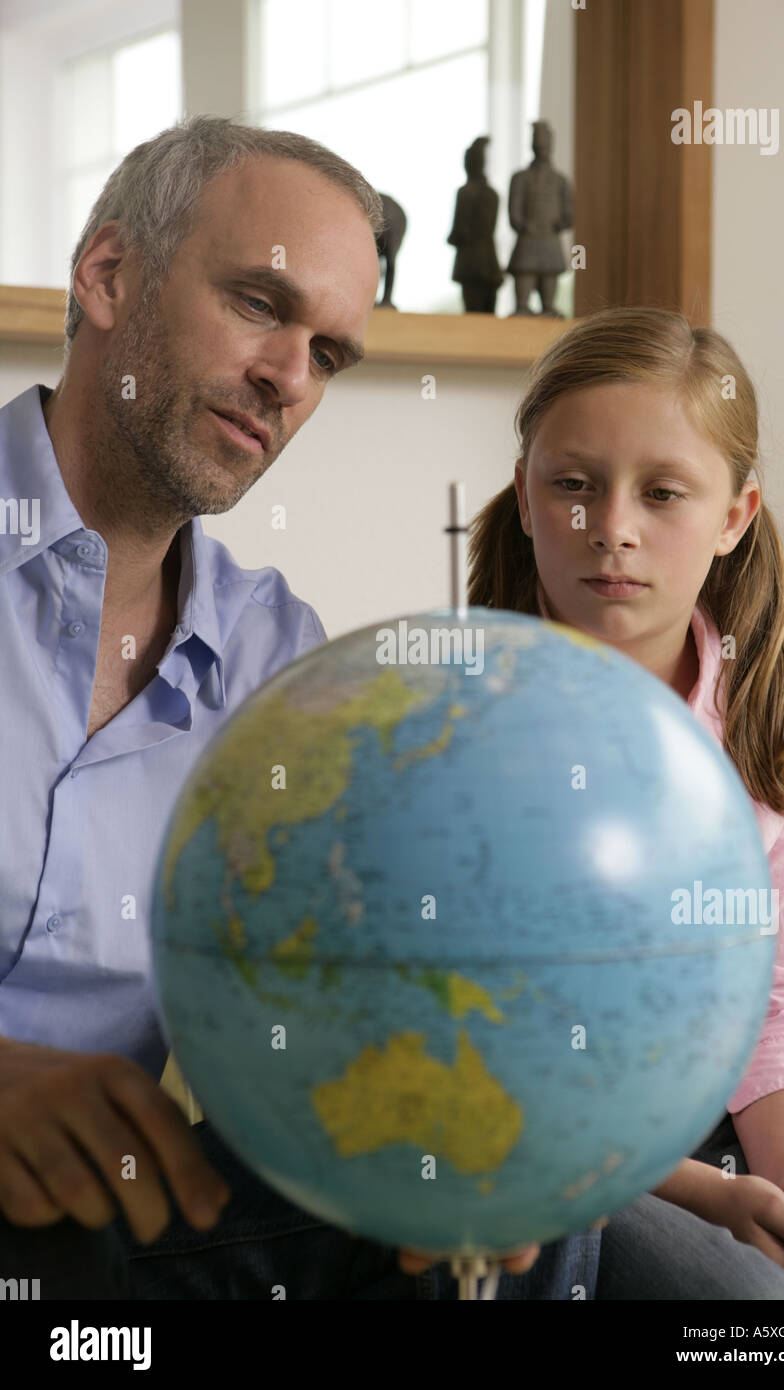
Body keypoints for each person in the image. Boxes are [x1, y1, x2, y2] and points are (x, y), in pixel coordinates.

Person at [0, 114, 599, 1300]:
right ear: (108, 275)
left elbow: (320, 1007)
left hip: (107, 1239)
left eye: (328, 353)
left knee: (515, 1206)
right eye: (261, 305)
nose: (286, 378)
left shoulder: (287, 667)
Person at [466, 304, 784, 1299]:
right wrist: (712, 1199)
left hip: (715, 1117)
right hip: (534, 1146)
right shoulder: (452, 725)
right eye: (574, 485)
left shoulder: (777, 723)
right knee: (761, 1311)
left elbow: (783, 1000)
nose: (613, 528)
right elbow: (481, 1053)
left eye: (663, 492)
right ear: (524, 496)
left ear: (736, 514)